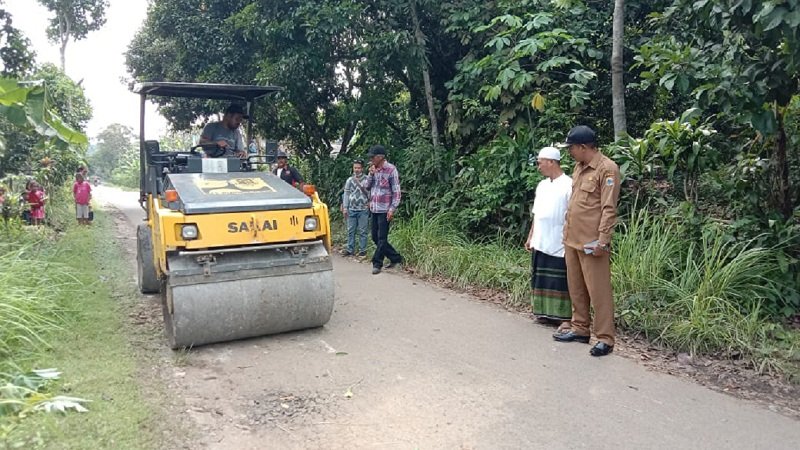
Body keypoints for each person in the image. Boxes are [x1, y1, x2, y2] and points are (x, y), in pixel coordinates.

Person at [552, 125, 621, 357]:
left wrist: (603, 240)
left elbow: (608, 208)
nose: (569, 152)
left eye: (571, 147)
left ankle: (605, 338)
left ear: (583, 147)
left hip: (593, 242)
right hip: (572, 238)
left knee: (598, 291)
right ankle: (580, 328)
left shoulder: (607, 169)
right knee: (576, 287)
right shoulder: (579, 167)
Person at [525, 146, 573, 331]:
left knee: (559, 280)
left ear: (551, 162)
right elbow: (536, 213)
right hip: (541, 238)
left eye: (540, 163)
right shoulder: (542, 185)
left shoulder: (569, 184)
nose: (538, 167)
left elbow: (571, 214)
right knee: (540, 277)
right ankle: (543, 312)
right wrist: (531, 236)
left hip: (559, 240)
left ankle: (564, 318)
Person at [361, 145, 402, 275]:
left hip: (385, 209)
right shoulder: (374, 170)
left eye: (373, 157)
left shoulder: (391, 170)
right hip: (375, 208)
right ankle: (396, 258)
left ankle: (377, 263)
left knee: (382, 237)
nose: (371, 159)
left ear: (380, 157)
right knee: (374, 237)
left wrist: (392, 209)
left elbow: (396, 191)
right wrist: (371, 174)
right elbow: (366, 187)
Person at [341, 159, 369, 257]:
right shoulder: (350, 180)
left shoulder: (367, 179)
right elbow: (346, 194)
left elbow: (371, 193)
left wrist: (369, 203)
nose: (356, 170)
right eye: (355, 168)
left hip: (363, 209)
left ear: (362, 168)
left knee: (363, 231)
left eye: (358, 168)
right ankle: (350, 249)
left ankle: (363, 250)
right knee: (350, 230)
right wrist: (345, 207)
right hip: (351, 209)